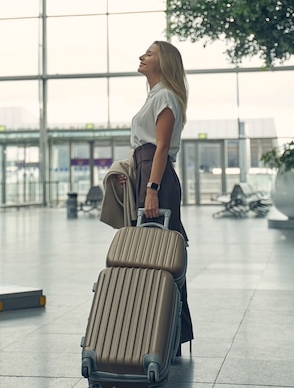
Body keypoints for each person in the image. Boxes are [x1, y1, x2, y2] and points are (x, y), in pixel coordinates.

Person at [118, 40, 194, 353]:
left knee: (160, 257)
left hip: (157, 178)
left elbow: (161, 147)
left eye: (149, 53)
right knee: (151, 256)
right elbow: (147, 148)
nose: (142, 56)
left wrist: (151, 188)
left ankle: (167, 336)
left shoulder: (164, 96)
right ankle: (161, 335)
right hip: (148, 171)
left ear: (163, 62)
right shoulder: (154, 96)